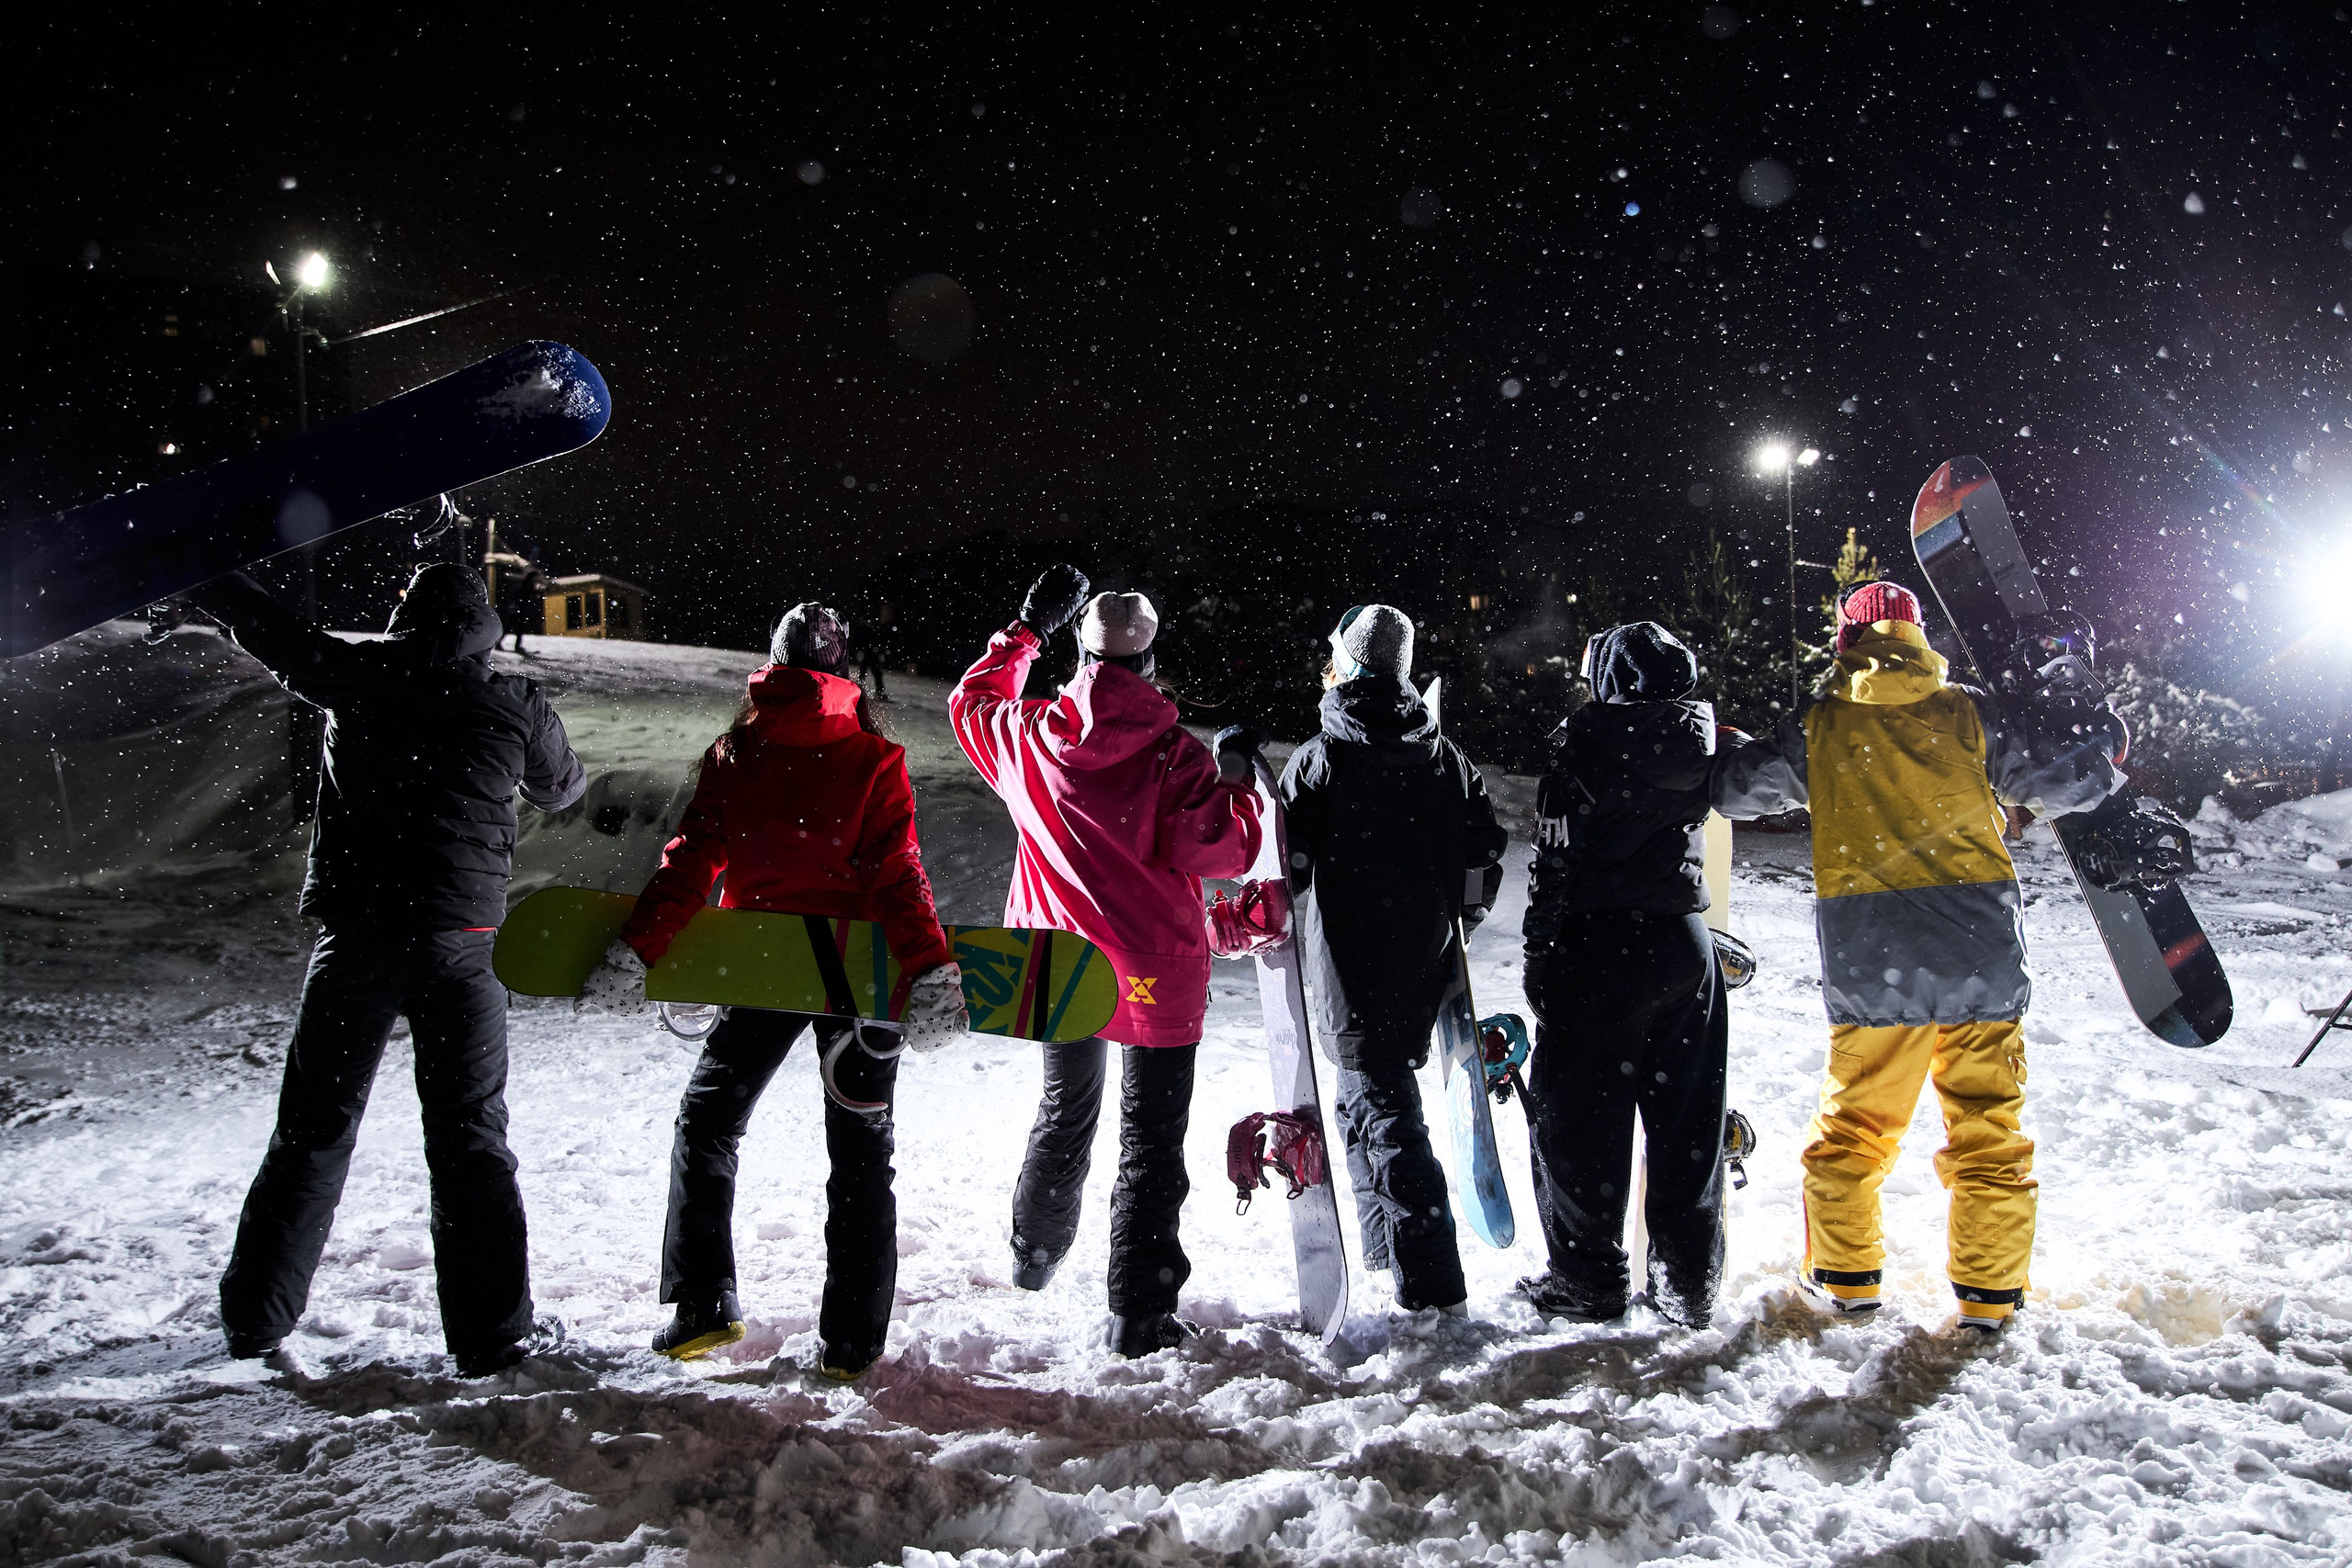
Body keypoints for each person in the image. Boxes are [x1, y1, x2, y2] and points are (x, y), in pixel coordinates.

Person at [190, 563, 585, 1377]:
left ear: (402, 614)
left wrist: (204, 579)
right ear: (482, 623)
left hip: (357, 940)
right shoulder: (512, 701)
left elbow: (271, 632)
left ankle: (256, 1318)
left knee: (311, 1132)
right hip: (460, 943)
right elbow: (563, 789)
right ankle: (490, 1332)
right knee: (471, 1139)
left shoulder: (357, 675)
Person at [1711, 581, 2122, 1336]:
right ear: (1919, 634)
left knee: (1857, 1126)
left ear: (1846, 642)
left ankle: (1845, 1275)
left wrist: (1729, 749)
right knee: (1989, 1128)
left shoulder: (1821, 721)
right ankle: (1990, 1295)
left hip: (1875, 960)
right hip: (1978, 953)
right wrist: (2092, 716)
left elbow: (1736, 793)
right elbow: (2078, 774)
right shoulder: (1968, 712)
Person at [576, 602, 967, 1380]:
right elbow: (897, 874)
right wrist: (928, 968)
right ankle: (851, 1342)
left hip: (759, 970)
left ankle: (701, 1304)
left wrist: (638, 948)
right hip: (852, 982)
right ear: (841, 673)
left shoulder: (736, 753)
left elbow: (689, 864)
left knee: (708, 1122)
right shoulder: (871, 759)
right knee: (860, 1154)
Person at [949, 566, 1263, 1357]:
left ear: (1080, 659)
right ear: (1151, 662)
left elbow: (968, 702)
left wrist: (1026, 627)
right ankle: (1140, 1311)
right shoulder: (1176, 759)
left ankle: (1035, 1251)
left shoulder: (1027, 737)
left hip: (1056, 960)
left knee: (1066, 1111)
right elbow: (1230, 847)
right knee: (1152, 1138)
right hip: (1155, 970)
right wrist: (1238, 779)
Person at [1280, 605, 1504, 1315]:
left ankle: (1435, 1287)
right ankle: (1381, 1252)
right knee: (1360, 1103)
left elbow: (1285, 861)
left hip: (1349, 969)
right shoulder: (1443, 753)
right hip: (1421, 960)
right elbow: (1482, 851)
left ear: (1346, 665)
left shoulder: (1322, 757)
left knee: (1387, 1117)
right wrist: (1459, 914)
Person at [1515, 622, 1728, 1327]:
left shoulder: (1584, 745)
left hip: (1600, 946)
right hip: (1684, 943)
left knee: (1579, 1117)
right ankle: (1686, 1282)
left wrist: (1541, 954)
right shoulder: (1703, 742)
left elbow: (1556, 861)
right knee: (1687, 1121)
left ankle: (1589, 1278)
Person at [851, 600, 894, 701]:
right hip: (866, 652)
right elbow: (857, 640)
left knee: (876, 674)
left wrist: (880, 652)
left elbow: (878, 640)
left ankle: (878, 692)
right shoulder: (862, 628)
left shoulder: (873, 627)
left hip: (872, 653)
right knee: (863, 674)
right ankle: (859, 692)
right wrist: (859, 651)